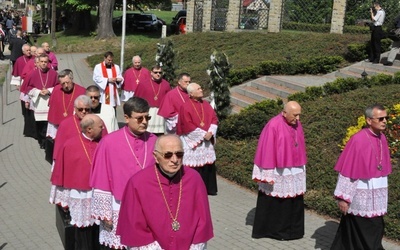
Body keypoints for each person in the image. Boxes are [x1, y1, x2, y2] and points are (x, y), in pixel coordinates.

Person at [117, 134, 214, 249]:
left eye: (179, 154)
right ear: (156, 157)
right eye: (168, 155)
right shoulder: (138, 183)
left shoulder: (194, 178)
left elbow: (203, 220)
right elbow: (134, 225)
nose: (174, 160)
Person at [90, 97, 157, 249]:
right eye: (139, 118)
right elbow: (101, 177)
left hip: (148, 207)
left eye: (147, 117)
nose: (145, 122)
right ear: (126, 118)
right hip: (118, 206)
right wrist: (106, 213)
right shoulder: (109, 142)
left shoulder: (154, 140)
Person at [330, 104, 392, 250]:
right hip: (360, 194)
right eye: (381, 118)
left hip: (377, 194)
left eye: (386, 118)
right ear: (369, 120)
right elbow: (347, 171)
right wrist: (344, 198)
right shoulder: (357, 139)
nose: (385, 121)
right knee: (364, 227)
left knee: (375, 225)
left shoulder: (382, 137)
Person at [251, 101, 307, 240]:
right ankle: (275, 231)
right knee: (276, 201)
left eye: (299, 115)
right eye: (295, 115)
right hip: (279, 170)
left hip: (295, 168)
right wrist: (268, 172)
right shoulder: (273, 125)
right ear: (284, 113)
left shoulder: (297, 124)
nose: (298, 119)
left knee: (294, 199)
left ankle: (293, 231)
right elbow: (268, 149)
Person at [50, 114, 104, 250]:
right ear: (90, 129)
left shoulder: (104, 142)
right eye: (100, 126)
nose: (103, 129)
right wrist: (64, 199)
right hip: (81, 194)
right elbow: (62, 173)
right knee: (82, 231)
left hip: (99, 192)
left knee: (99, 228)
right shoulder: (70, 145)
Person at [176, 83, 218, 195]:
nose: (201, 90)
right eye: (198, 89)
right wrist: (204, 135)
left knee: (207, 165)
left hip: (206, 142)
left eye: (201, 87)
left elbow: (214, 119)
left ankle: (208, 188)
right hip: (194, 141)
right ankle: (192, 190)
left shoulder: (206, 104)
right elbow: (187, 125)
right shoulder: (185, 106)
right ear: (191, 93)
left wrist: (211, 132)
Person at [53, 95, 108, 165]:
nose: (84, 111)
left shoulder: (98, 121)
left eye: (87, 109)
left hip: (96, 161)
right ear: (75, 109)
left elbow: (105, 142)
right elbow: (59, 149)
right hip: (73, 162)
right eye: (80, 109)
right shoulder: (65, 124)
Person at [22, 54, 58, 148]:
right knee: (39, 123)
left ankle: (48, 141)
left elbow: (58, 87)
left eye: (45, 62)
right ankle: (41, 141)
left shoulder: (53, 74)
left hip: (50, 101)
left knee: (48, 123)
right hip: (38, 102)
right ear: (38, 63)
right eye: (41, 62)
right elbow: (28, 88)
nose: (43, 64)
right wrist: (38, 92)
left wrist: (49, 90)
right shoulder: (32, 74)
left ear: (48, 62)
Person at [46, 69, 86, 139]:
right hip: (58, 126)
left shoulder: (82, 91)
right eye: (63, 84)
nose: (66, 86)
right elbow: (52, 109)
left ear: (72, 79)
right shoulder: (56, 90)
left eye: (68, 82)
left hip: (75, 127)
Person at [134, 65, 171, 134]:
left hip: (160, 112)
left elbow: (169, 100)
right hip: (148, 110)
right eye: (156, 72)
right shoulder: (143, 84)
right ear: (151, 73)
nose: (158, 74)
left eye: (160, 72)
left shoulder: (166, 84)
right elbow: (137, 98)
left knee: (160, 132)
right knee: (146, 131)